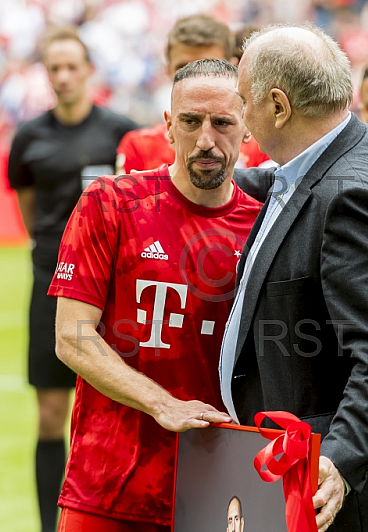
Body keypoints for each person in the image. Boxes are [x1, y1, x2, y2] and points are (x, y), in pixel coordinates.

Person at [220, 24, 368, 532]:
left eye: (243, 101)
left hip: (341, 495)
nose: (242, 117)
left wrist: (340, 461)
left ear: (279, 107)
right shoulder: (330, 159)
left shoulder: (351, 192)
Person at [49, 58, 260, 532]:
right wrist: (163, 403)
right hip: (108, 483)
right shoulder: (110, 203)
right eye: (190, 122)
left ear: (247, 128)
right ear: (168, 127)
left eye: (222, 123)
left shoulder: (266, 225)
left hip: (218, 488)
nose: (206, 139)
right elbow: (71, 337)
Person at [6, 26, 137, 532]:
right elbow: (28, 210)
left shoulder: (120, 131)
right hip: (50, 283)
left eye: (70, 66)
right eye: (53, 68)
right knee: (49, 413)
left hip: (111, 286)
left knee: (115, 405)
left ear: (88, 71)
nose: (62, 76)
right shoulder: (29, 138)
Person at [116, 13, 271, 175]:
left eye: (209, 67)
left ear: (234, 67)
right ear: (167, 70)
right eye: (183, 68)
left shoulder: (263, 146)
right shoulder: (140, 147)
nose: (194, 78)